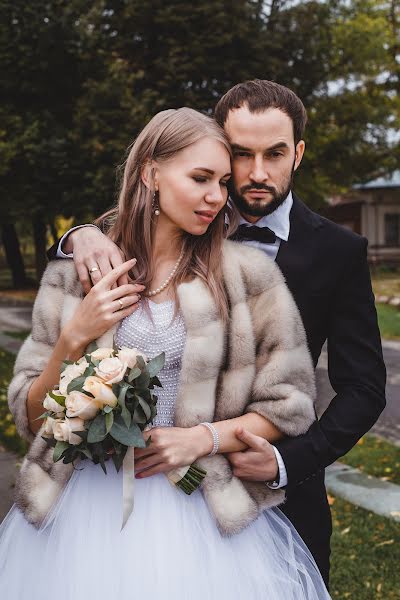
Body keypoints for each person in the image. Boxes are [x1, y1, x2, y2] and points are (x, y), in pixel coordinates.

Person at [50, 80, 387, 587]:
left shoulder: (338, 251)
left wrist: (285, 461)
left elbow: (364, 388)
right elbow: (126, 229)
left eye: (274, 153)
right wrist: (77, 237)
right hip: (137, 492)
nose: (256, 173)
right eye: (239, 156)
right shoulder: (185, 217)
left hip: (273, 493)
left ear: (297, 153)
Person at [0, 108, 330, 599]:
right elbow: (30, 415)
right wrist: (73, 339)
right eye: (200, 178)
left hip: (196, 505)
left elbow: (290, 406)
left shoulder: (248, 277)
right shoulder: (76, 271)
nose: (216, 197)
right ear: (151, 172)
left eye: (222, 182)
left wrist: (202, 438)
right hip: (81, 509)